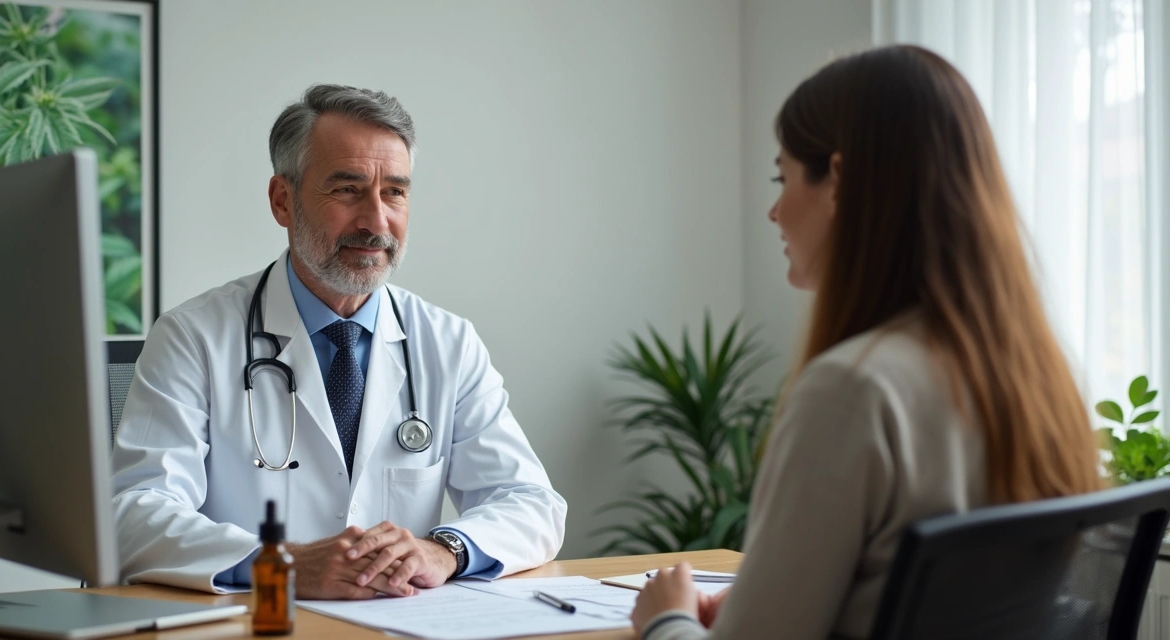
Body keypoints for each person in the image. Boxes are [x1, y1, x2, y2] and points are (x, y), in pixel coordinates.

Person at [630, 45, 1104, 639]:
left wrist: (666, 618)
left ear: (840, 181)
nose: (775, 211)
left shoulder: (852, 392)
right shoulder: (1041, 380)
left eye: (784, 177)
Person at [111, 85, 566, 598]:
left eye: (394, 191)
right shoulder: (193, 337)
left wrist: (444, 550)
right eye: (347, 190)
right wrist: (280, 565)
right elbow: (136, 511)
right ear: (283, 201)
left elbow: (532, 502)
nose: (376, 221)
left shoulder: (447, 342)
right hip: (257, 625)